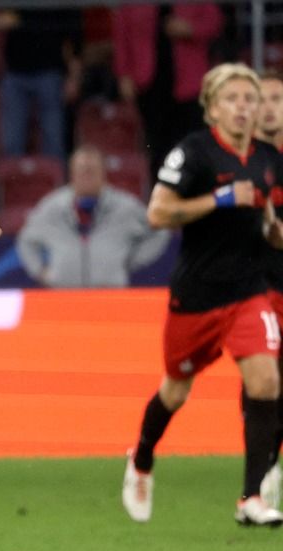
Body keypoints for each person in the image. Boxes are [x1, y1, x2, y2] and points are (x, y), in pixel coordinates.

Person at [122, 63, 283, 527]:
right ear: (212, 108)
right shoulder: (193, 153)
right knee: (175, 389)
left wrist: (273, 231)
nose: (243, 107)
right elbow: (158, 213)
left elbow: (271, 225)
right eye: (232, 99)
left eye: (249, 99)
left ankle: (251, 497)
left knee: (266, 380)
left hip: (250, 291)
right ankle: (142, 460)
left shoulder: (267, 159)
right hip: (196, 297)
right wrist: (219, 199)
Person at [16, 145, 169, 288]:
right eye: (82, 170)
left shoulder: (125, 206)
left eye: (91, 170)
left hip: (110, 296)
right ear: (72, 173)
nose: (86, 176)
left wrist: (131, 260)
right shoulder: (52, 207)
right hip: (63, 296)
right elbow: (26, 240)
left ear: (103, 173)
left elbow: (158, 230)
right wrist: (41, 272)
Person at [113, 4, 223, 179]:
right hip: (150, 82)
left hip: (189, 84)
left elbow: (214, 22)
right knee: (156, 147)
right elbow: (122, 32)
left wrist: (190, 29)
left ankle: (192, 195)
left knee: (191, 145)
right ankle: (161, 196)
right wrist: (124, 73)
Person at [0, 9, 82, 160]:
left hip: (50, 72)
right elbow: (0, 19)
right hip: (15, 72)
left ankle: (55, 180)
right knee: (12, 140)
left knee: (53, 140)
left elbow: (75, 38)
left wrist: (73, 78)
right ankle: (15, 181)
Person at [253, 69, 283, 511]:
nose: (269, 106)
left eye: (279, 97)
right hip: (255, 288)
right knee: (261, 386)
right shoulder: (237, 164)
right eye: (262, 99)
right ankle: (257, 483)